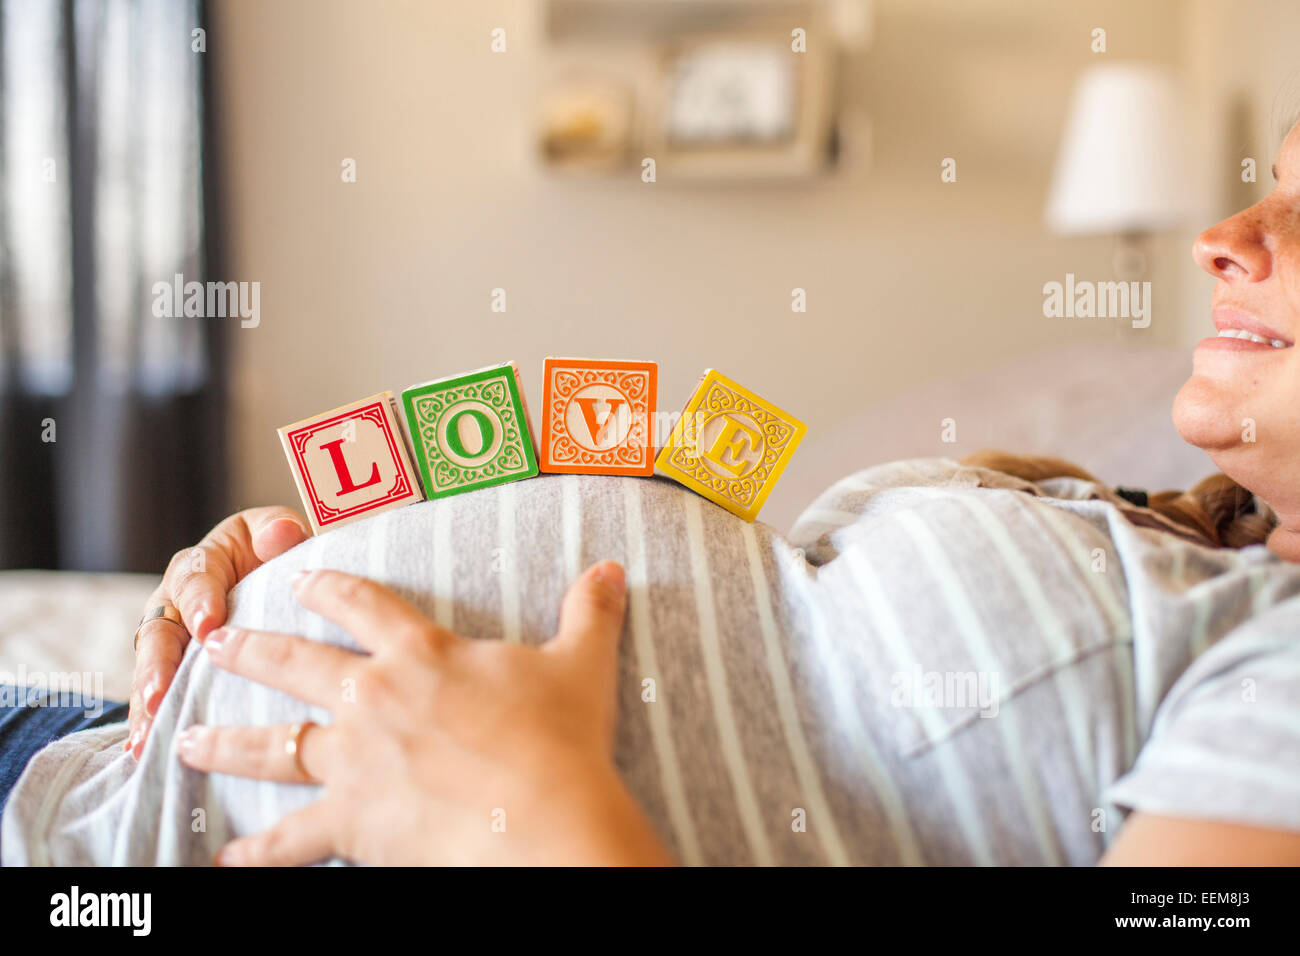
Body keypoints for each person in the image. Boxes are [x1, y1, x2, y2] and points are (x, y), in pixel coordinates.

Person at [7, 121, 1300, 868]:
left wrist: (525, 814)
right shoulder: (1177, 539)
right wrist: (260, 577)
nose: (1228, 235)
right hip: (76, 749)